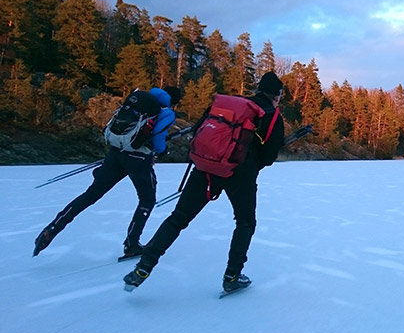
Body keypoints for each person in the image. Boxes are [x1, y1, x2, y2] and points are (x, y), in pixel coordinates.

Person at [123, 72, 285, 294]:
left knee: (178, 219)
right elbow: (268, 157)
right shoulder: (272, 115)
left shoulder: (229, 104)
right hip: (240, 174)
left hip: (205, 168)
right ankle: (232, 276)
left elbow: (201, 129)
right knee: (245, 222)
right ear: (276, 95)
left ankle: (143, 268)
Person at [33, 86, 183, 258]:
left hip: (116, 152)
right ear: (173, 101)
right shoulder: (166, 112)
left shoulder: (140, 99)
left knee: (91, 194)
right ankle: (131, 244)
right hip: (138, 159)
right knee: (147, 199)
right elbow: (158, 138)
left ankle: (53, 227)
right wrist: (162, 151)